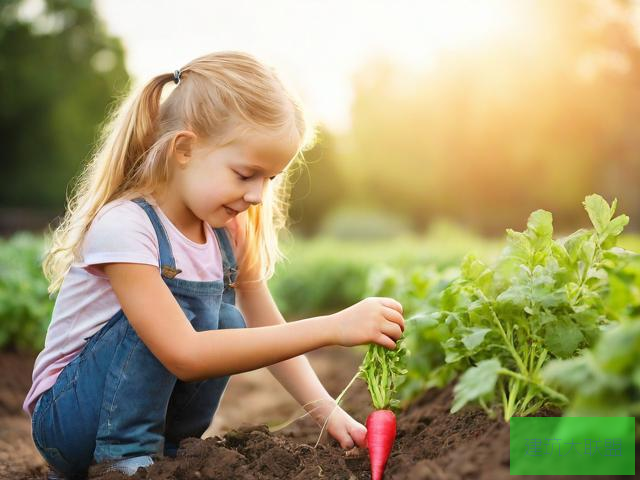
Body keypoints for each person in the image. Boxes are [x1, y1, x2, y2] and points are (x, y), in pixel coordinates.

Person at [23, 51, 405, 480]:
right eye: (246, 174)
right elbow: (183, 354)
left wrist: (328, 414)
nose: (258, 195)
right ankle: (123, 461)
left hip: (142, 418)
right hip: (70, 423)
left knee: (227, 318)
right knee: (178, 318)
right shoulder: (127, 226)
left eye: (270, 179)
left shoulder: (227, 231)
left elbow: (269, 328)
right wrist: (333, 327)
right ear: (184, 149)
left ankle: (169, 453)